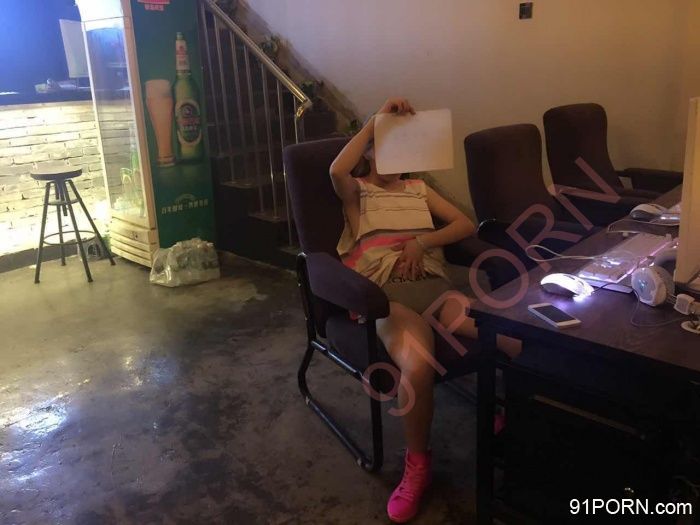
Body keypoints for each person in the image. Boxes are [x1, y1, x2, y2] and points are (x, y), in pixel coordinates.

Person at [330, 97, 520, 523]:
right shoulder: (357, 193)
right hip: (390, 297)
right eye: (385, 144)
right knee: (416, 366)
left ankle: (512, 414)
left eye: (403, 145)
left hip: (436, 290)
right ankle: (417, 464)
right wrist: (375, 121)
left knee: (513, 336)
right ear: (371, 150)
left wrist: (422, 242)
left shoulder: (418, 189)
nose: (395, 155)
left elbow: (463, 224)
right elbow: (336, 170)